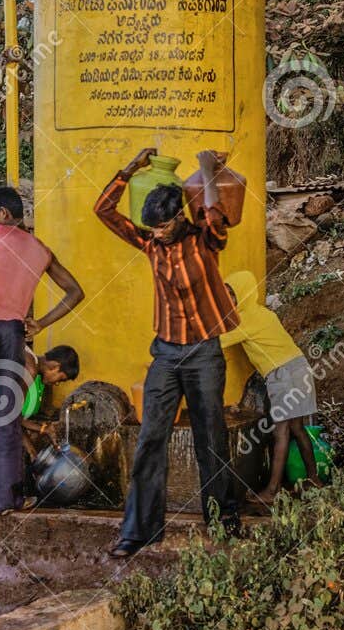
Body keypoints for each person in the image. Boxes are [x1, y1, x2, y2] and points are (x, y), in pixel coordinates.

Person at [95, 147, 242, 557]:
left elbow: (213, 212)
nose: (156, 233)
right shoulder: (149, 244)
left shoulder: (206, 240)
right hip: (165, 353)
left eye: (162, 227)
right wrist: (130, 169)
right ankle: (139, 531)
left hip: (203, 353)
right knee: (149, 440)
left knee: (211, 439)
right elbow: (104, 210)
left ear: (179, 217)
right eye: (152, 229)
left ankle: (224, 521)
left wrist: (207, 168)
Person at [0, 185, 85, 515]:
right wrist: (40, 322)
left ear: (4, 215)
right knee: (6, 417)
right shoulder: (41, 250)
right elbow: (75, 292)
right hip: (12, 332)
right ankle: (6, 501)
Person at [221, 270, 319, 504]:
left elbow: (217, 342)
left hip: (283, 374)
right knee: (297, 428)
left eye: (232, 295)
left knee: (281, 432)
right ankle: (314, 479)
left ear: (243, 294)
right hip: (299, 368)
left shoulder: (245, 321)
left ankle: (272, 491)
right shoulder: (263, 314)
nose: (228, 301)